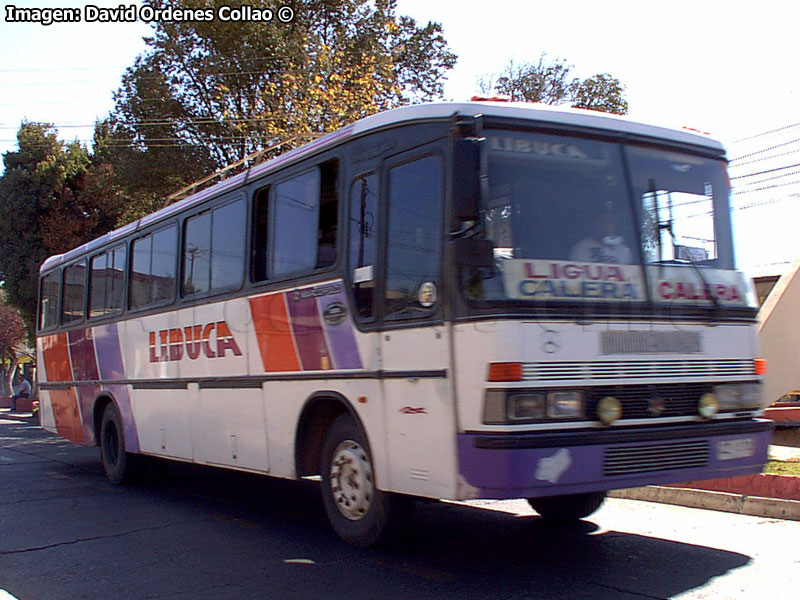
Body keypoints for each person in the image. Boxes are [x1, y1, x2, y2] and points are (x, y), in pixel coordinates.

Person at [569, 207, 634, 264]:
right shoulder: (581, 248)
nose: (606, 226)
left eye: (610, 222)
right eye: (602, 222)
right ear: (593, 225)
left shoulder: (624, 250)